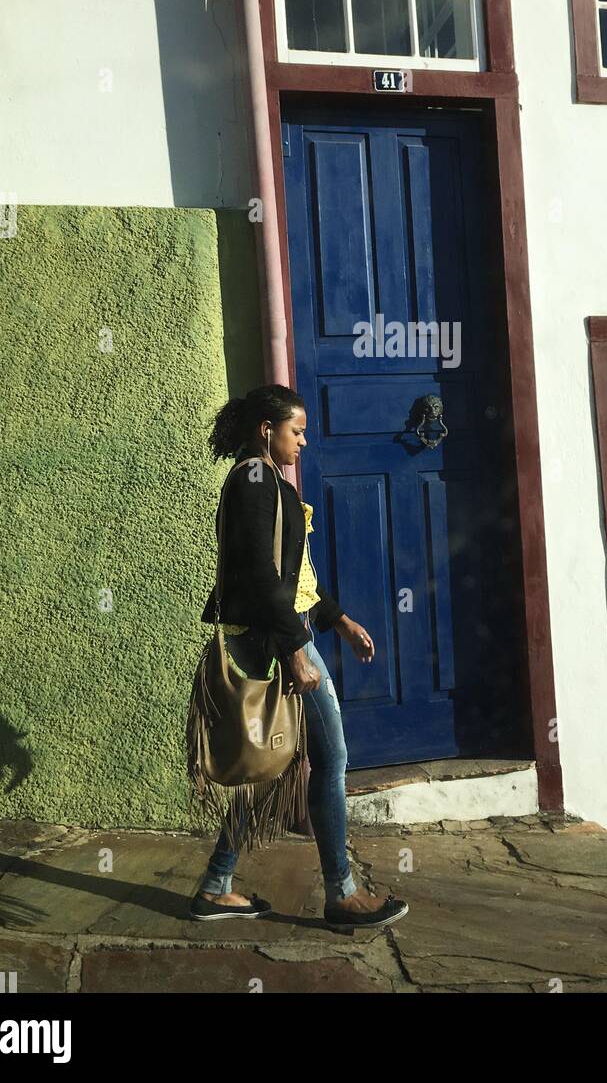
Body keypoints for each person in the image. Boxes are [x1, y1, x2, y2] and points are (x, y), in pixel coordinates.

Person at [188, 384, 409, 930]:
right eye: (297, 431)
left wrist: (338, 619)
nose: (304, 441)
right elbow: (264, 578)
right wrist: (295, 653)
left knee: (266, 768)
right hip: (272, 642)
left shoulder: (266, 481)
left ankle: (215, 886)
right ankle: (343, 894)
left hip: (280, 635)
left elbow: (295, 572)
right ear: (268, 429)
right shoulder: (256, 481)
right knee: (329, 758)